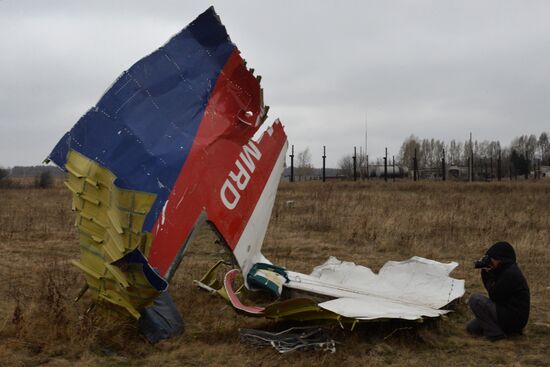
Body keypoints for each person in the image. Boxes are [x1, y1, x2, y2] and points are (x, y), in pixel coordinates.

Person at [467, 241, 530, 341]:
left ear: (500, 259)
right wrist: (486, 271)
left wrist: (489, 274)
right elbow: (495, 294)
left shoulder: (510, 274)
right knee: (472, 327)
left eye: (491, 258)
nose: (490, 261)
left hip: (513, 318)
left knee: (475, 299)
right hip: (507, 313)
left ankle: (495, 335)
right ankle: (503, 331)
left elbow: (494, 295)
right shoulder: (505, 269)